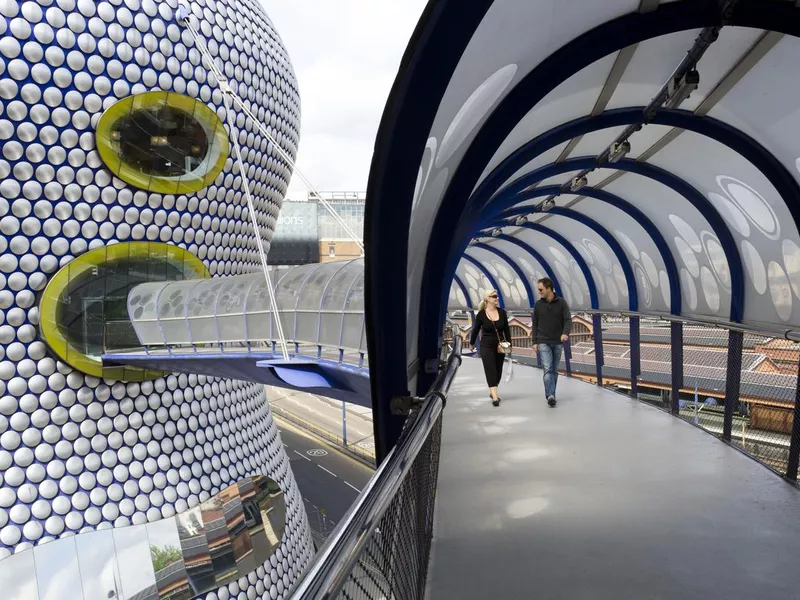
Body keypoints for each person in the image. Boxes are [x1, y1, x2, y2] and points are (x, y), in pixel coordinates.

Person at [531, 277, 571, 407]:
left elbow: (568, 320)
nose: (539, 292)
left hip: (557, 342)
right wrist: (534, 342)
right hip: (543, 341)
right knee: (547, 369)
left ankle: (551, 394)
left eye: (541, 289)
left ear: (549, 288)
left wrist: (565, 333)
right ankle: (550, 396)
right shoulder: (538, 305)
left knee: (554, 370)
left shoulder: (562, 303)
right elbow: (535, 323)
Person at [469, 290, 512, 407]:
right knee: (490, 369)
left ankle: (492, 389)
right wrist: (472, 343)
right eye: (494, 297)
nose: (496, 298)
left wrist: (510, 344)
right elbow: (476, 330)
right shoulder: (481, 314)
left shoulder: (502, 313)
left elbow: (507, 330)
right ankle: (495, 397)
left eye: (497, 296)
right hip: (486, 346)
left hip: (500, 346)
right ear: (487, 299)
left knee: (498, 370)